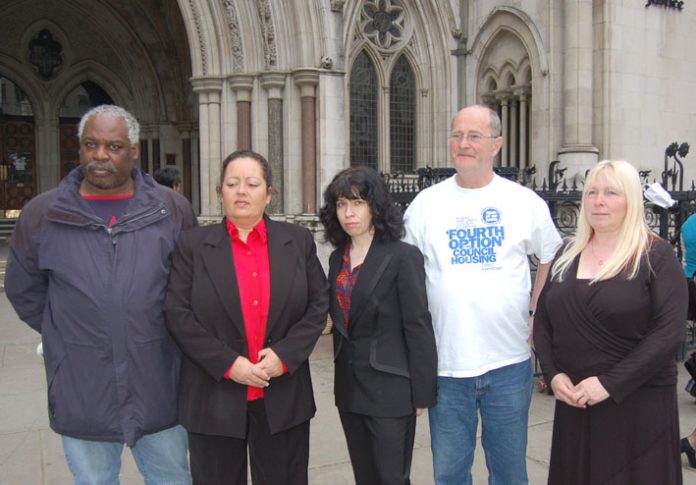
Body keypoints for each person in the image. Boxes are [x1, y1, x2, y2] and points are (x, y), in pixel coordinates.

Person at [4, 104, 196, 484]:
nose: (101, 155)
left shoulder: (171, 209)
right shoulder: (43, 213)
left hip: (158, 383)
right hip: (82, 386)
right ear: (80, 149)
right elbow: (24, 289)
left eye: (113, 146)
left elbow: (189, 285)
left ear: (134, 151)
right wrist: (66, 331)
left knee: (172, 479)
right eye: (91, 145)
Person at [403, 104, 562, 484]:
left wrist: (537, 312)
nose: (464, 143)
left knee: (509, 473)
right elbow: (404, 274)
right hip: (446, 366)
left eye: (474, 136)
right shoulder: (426, 205)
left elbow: (554, 255)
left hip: (508, 363)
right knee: (451, 474)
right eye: (457, 135)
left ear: (497, 144)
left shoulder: (522, 202)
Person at [164, 149, 329, 485]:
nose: (241, 191)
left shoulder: (296, 241)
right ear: (220, 192)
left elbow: (318, 304)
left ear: (269, 194)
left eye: (252, 183)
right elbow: (177, 314)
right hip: (213, 396)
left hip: (282, 395)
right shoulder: (192, 245)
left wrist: (285, 355)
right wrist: (228, 363)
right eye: (232, 183)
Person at [533, 160, 687, 484]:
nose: (598, 201)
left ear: (631, 201)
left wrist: (607, 384)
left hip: (637, 404)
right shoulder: (566, 253)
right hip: (575, 400)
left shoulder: (655, 255)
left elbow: (668, 334)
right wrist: (554, 373)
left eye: (611, 193)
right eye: (592, 192)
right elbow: (544, 318)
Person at [319, 166, 438, 485]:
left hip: (392, 390)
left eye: (357, 203)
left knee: (392, 478)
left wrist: (421, 394)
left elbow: (418, 325)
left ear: (376, 206)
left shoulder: (403, 256)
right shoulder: (337, 259)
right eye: (342, 204)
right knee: (365, 477)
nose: (348, 213)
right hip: (349, 389)